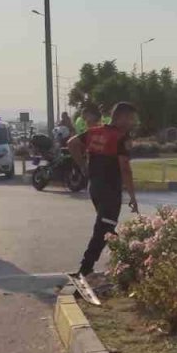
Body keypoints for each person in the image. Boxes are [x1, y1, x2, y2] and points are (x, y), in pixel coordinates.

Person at [68, 101, 139, 280]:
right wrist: (132, 195)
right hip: (110, 191)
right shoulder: (119, 138)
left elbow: (72, 143)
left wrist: (83, 166)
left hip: (95, 189)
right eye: (131, 118)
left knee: (108, 228)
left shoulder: (94, 132)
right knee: (103, 230)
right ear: (121, 118)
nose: (133, 122)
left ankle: (126, 263)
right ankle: (85, 269)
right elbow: (125, 169)